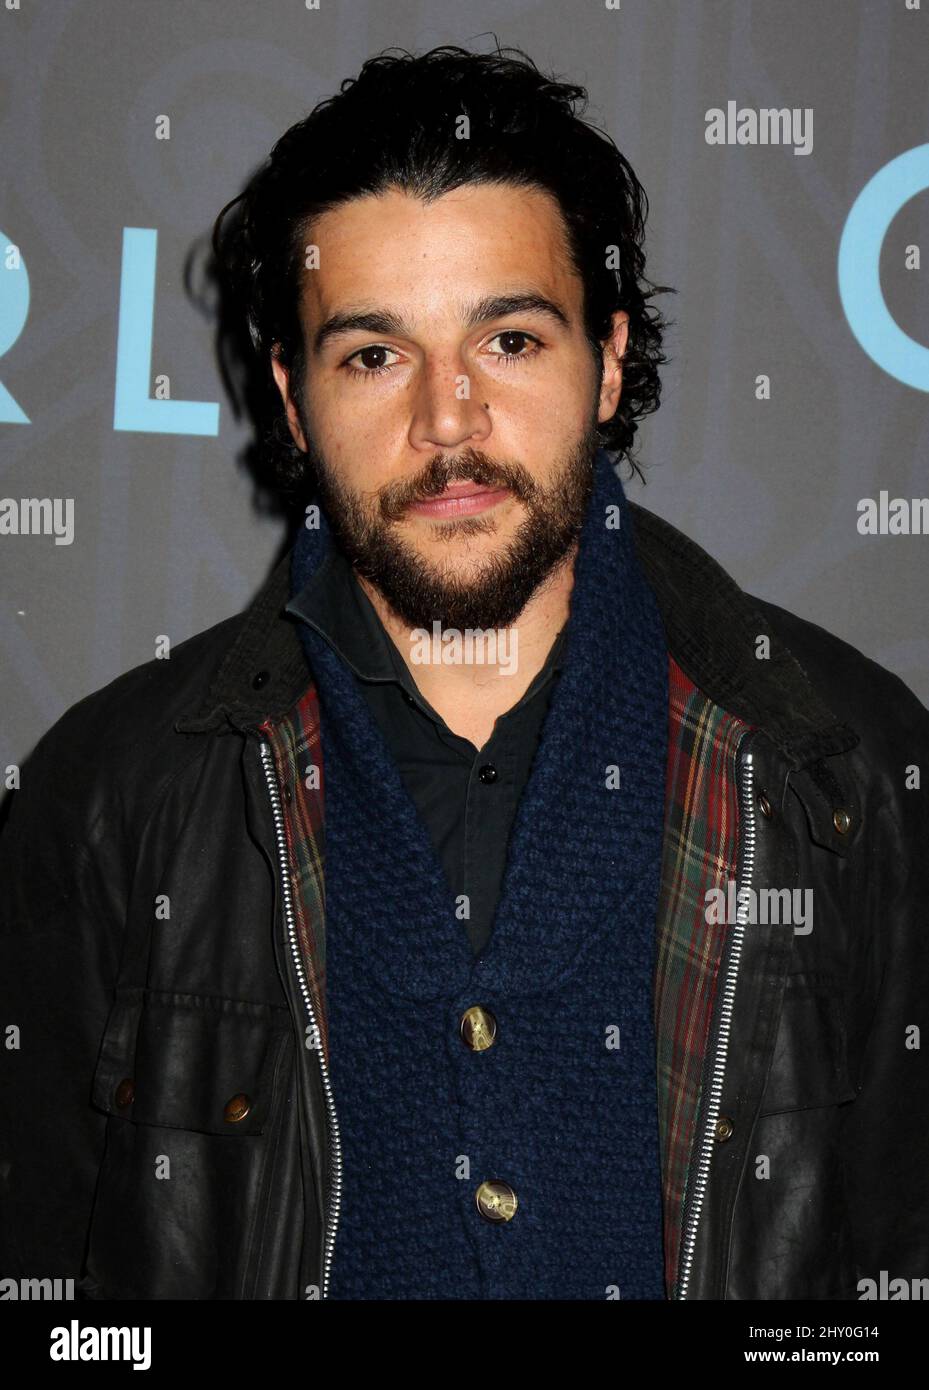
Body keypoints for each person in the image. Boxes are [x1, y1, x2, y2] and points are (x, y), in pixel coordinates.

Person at [1, 43, 927, 1302]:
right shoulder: (113, 798)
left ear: (605, 359)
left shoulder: (849, 777)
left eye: (507, 338)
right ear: (290, 396)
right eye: (373, 355)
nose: (447, 421)